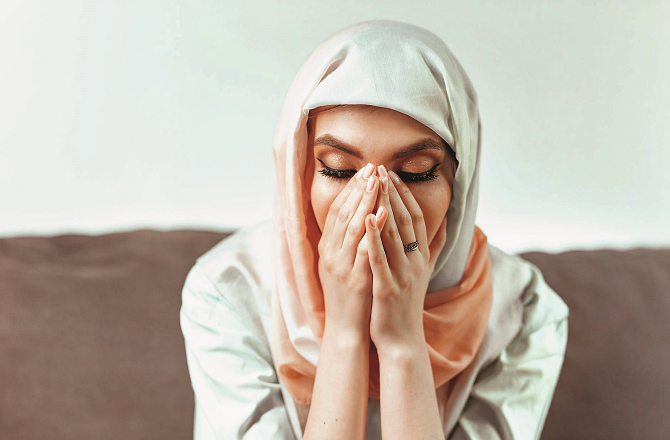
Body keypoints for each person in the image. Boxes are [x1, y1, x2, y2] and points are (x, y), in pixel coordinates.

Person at [179, 19, 569, 440]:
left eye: (416, 172)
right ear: (301, 170)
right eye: (339, 170)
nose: (376, 208)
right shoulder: (227, 293)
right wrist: (344, 334)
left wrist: (403, 343)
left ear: (460, 182)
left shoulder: (524, 312)